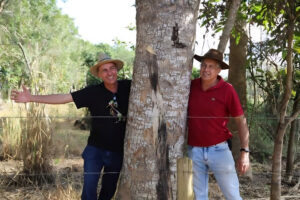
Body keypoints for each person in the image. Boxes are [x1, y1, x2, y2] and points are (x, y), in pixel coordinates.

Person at [11, 53, 131, 200]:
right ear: (99, 75)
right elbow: (64, 98)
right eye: (104, 70)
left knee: (109, 191)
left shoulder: (129, 87)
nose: (109, 73)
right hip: (95, 150)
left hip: (118, 151)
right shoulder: (92, 92)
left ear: (116, 70)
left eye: (112, 68)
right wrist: (31, 98)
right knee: (89, 190)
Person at [188, 49, 250, 200]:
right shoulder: (191, 86)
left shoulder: (227, 90)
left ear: (218, 70)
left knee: (233, 195)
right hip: (194, 150)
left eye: (211, 66)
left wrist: (245, 152)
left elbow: (240, 121)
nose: (206, 70)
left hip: (219, 150)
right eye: (204, 65)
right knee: (199, 196)